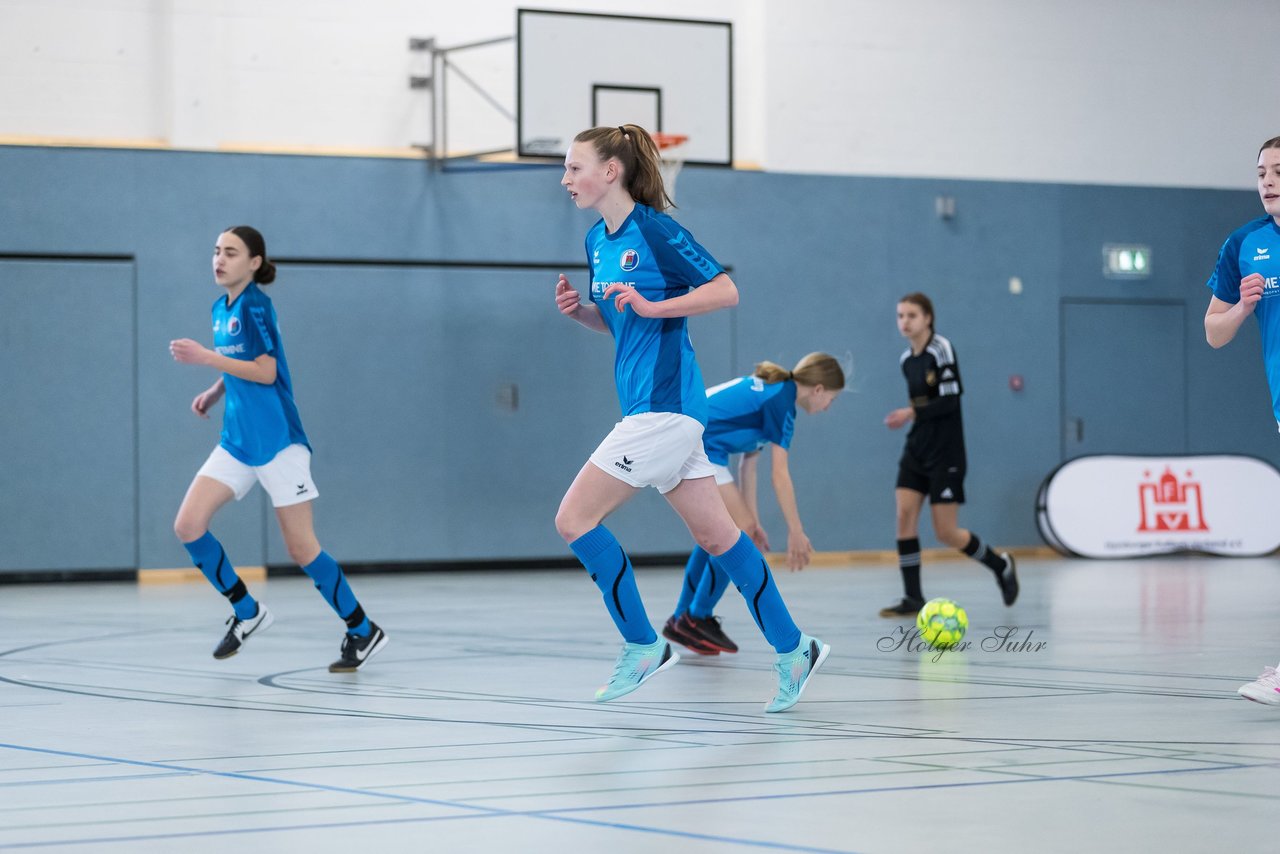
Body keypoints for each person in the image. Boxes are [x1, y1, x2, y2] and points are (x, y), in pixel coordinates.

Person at [554, 124, 830, 713]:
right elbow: (623, 321)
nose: (566, 178)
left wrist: (657, 303)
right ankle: (795, 648)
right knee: (718, 537)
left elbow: (725, 290)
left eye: (576, 167)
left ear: (611, 172)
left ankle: (642, 645)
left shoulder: (655, 231)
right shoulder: (596, 242)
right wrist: (584, 314)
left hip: (666, 410)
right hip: (654, 414)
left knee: (574, 519)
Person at [169, 225, 388, 672]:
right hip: (236, 442)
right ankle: (247, 612)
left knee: (302, 549)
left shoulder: (257, 305)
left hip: (278, 442)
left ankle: (362, 628)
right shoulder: (220, 306)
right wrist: (216, 390)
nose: (219, 259)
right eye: (216, 251)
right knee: (188, 525)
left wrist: (207, 358)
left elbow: (266, 372)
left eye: (230, 252)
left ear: (253, 263)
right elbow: (240, 362)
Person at [662, 354, 845, 656]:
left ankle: (682, 617)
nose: (828, 407)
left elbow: (749, 464)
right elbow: (780, 475)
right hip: (696, 447)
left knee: (726, 532)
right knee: (733, 536)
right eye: (831, 399)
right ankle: (695, 618)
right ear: (818, 389)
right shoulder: (782, 403)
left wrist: (754, 520)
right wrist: (796, 531)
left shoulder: (775, 390)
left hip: (691, 444)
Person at [879, 292, 1019, 618]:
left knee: (945, 531)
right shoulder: (906, 361)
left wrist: (909, 412)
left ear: (927, 318)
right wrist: (912, 418)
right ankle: (913, 597)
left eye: (911, 315)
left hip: (946, 452)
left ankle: (1000, 565)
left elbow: (949, 402)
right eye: (900, 316)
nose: (905, 321)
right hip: (917, 448)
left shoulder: (941, 349)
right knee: (903, 517)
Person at [1203, 135, 1280, 706]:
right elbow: (1214, 332)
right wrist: (1241, 308)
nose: (1268, 180)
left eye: (1278, 170)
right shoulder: (1245, 243)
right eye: (1261, 172)